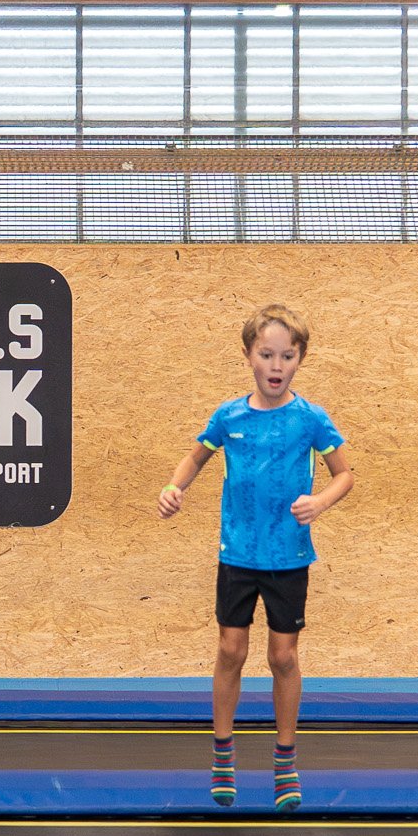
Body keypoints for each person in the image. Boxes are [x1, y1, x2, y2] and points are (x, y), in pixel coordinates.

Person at [157, 304, 355, 809]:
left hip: (289, 555)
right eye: (266, 354)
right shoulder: (229, 416)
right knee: (231, 650)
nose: (276, 364)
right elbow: (196, 455)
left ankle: (284, 760)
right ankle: (224, 754)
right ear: (249, 356)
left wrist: (321, 501)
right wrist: (174, 487)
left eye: (287, 356)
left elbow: (345, 474)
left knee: (283, 656)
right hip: (238, 552)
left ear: (299, 360)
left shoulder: (311, 418)